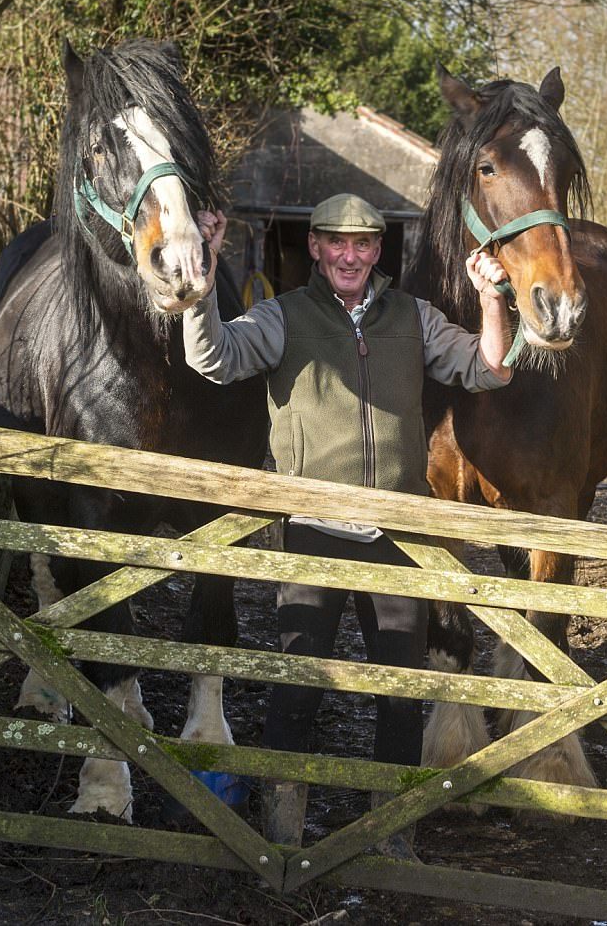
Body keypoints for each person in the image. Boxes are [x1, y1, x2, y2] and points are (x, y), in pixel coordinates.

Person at [184, 193, 512, 856]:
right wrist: (203, 271)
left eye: (363, 244)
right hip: (312, 529)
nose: (349, 255)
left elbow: (491, 368)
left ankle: (391, 833)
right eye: (336, 242)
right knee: (298, 688)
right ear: (315, 247)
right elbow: (211, 358)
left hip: (396, 533)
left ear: (377, 251)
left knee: (398, 693)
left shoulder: (415, 317)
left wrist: (491, 297)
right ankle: (283, 826)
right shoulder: (283, 316)